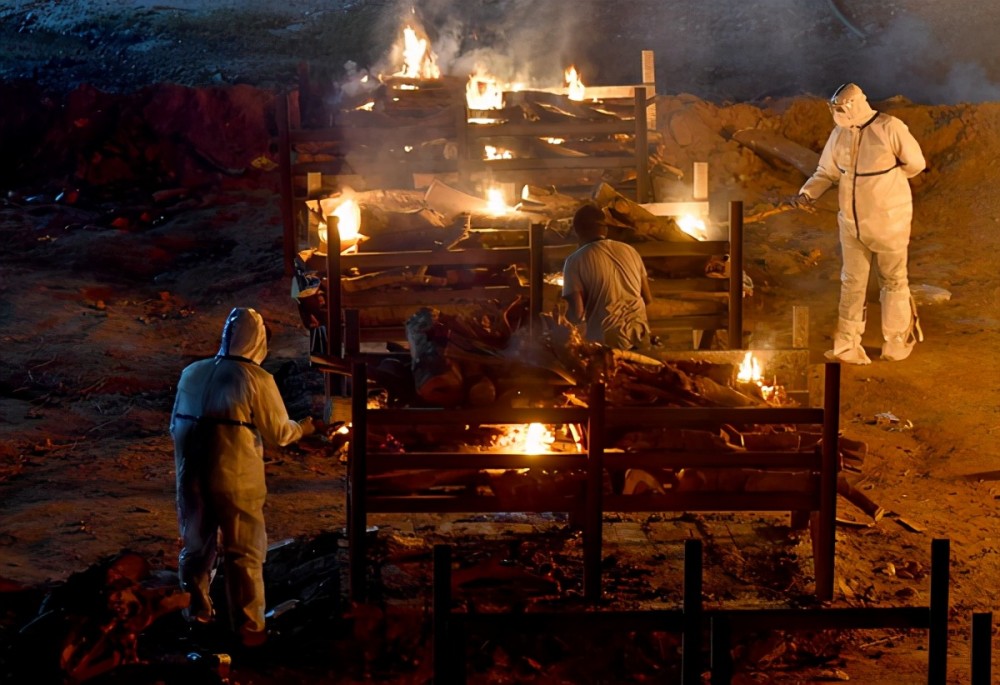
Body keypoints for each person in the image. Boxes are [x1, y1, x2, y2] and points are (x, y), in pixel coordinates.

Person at [170, 307, 316, 647]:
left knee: (195, 546)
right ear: (259, 340)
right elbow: (279, 432)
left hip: (190, 475)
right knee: (244, 552)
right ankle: (250, 629)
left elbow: (174, 425)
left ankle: (197, 614)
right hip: (236, 478)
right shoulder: (255, 378)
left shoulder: (192, 371)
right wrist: (307, 427)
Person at [794, 82, 926, 363]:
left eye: (841, 108)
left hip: (889, 221)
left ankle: (896, 343)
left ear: (855, 105)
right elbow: (826, 171)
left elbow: (915, 164)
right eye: (834, 109)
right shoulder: (840, 134)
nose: (837, 113)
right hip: (851, 223)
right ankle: (847, 346)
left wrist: (884, 185)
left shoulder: (890, 128)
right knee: (852, 282)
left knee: (893, 280)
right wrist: (808, 193)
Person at [561, 203, 653, 350]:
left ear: (578, 231)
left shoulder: (574, 261)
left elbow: (576, 314)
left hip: (606, 342)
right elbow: (647, 298)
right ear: (605, 229)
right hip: (640, 334)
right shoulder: (630, 251)